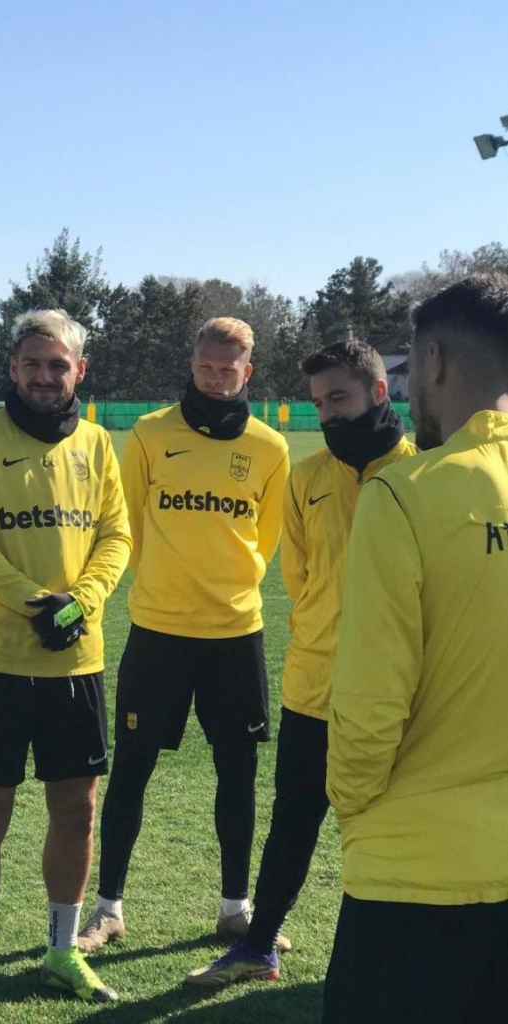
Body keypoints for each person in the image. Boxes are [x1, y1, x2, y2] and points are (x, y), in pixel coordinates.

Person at [186, 340, 415, 987]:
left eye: (338, 398)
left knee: (391, 830)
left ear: (378, 392)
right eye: (318, 403)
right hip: (315, 686)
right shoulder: (307, 477)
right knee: (292, 821)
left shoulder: (421, 472)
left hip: (399, 694)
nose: (328, 414)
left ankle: (392, 962)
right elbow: (300, 579)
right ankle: (258, 947)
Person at [320, 275, 508, 1023]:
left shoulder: (405, 494)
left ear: (433, 361)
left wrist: (353, 806)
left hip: (416, 872)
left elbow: (370, 706)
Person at [0, 309, 132, 1022]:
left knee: (76, 811)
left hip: (77, 660)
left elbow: (116, 535)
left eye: (58, 365)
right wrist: (37, 605)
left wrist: (79, 604)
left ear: (79, 370)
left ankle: (60, 951)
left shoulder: (98, 443)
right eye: (32, 364)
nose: (44, 377)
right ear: (13, 368)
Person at [78, 317, 290, 956]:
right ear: (192, 365)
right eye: (206, 368)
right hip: (159, 631)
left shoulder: (271, 448)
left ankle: (235, 909)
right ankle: (109, 909)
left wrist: (227, 586)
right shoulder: (149, 434)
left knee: (239, 773)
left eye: (228, 370)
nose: (216, 379)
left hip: (236, 633)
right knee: (131, 769)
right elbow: (130, 526)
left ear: (248, 372)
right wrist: (169, 586)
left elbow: (267, 538)